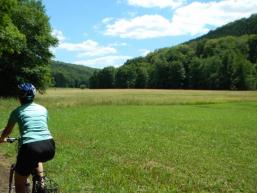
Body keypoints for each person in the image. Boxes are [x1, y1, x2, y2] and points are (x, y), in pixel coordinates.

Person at [0, 83, 55, 193]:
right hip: (49, 146)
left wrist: (1, 138)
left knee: (19, 181)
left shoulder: (17, 111)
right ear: (34, 95)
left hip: (29, 147)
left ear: (19, 97)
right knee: (37, 158)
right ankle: (42, 185)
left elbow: (7, 131)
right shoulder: (43, 109)